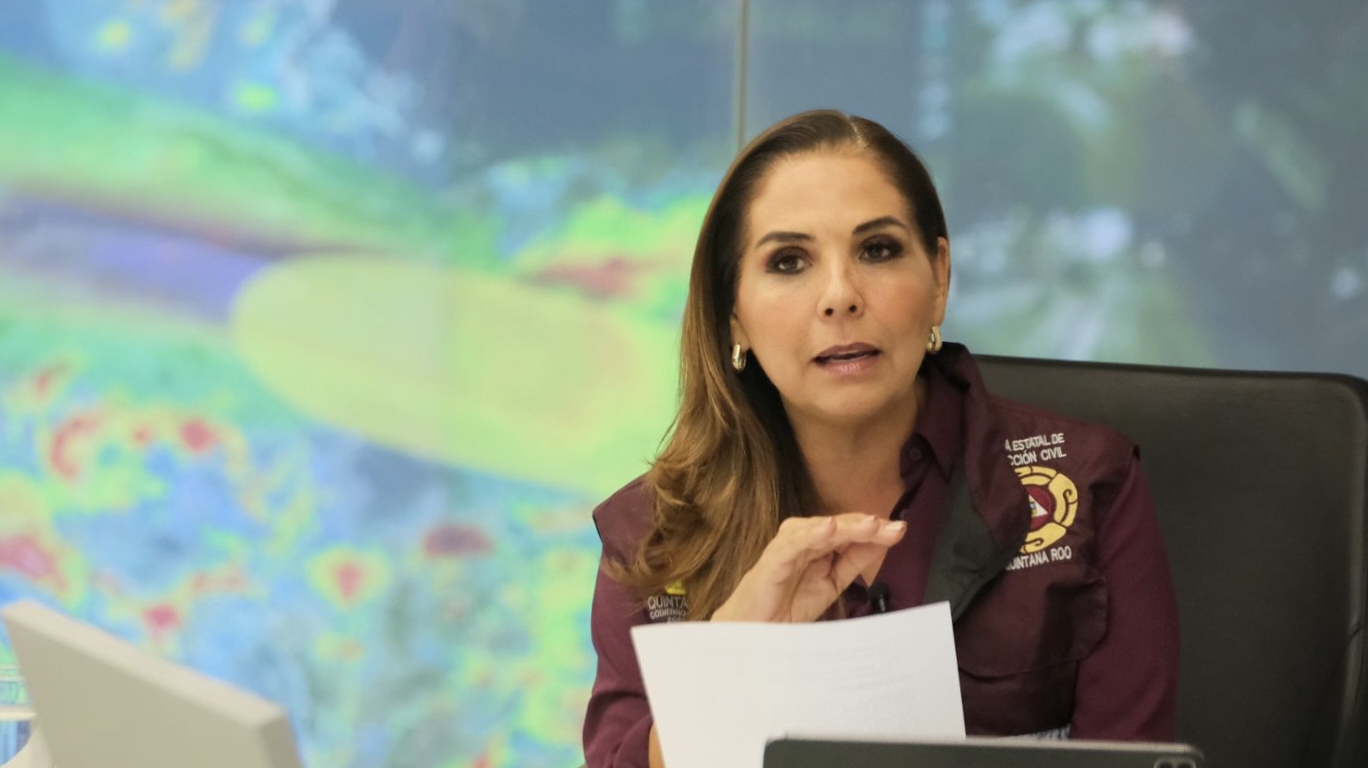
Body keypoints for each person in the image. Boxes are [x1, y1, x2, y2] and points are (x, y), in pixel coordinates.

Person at [582, 109, 1179, 768]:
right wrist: (734, 660)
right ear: (734, 315)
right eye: (789, 261)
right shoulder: (654, 535)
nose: (840, 296)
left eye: (878, 250)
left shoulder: (1090, 485)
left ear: (939, 277)